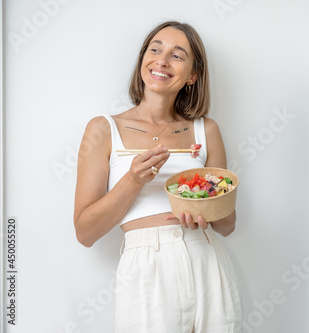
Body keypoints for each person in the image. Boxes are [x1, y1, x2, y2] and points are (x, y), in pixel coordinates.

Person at [73, 21, 242, 332]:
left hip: (207, 260)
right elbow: (85, 233)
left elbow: (228, 225)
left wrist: (204, 212)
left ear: (193, 75)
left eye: (178, 55)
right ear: (142, 61)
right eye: (155, 49)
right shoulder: (102, 129)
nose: (162, 61)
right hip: (147, 268)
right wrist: (133, 181)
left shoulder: (207, 130)